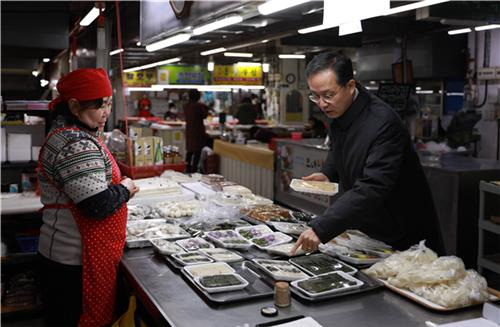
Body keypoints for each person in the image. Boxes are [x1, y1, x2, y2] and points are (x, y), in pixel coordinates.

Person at [291, 53, 444, 255]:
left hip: (402, 234)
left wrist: (322, 228)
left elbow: (372, 186)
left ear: (351, 86)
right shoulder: (339, 110)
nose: (321, 103)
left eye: (328, 95)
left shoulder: (383, 123)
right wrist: (328, 173)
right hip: (368, 226)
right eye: (315, 96)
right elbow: (338, 147)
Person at [38, 68, 140, 327]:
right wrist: (126, 188)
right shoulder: (76, 145)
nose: (107, 112)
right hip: (74, 262)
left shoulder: (70, 135)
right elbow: (97, 205)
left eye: (108, 103)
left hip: (68, 256)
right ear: (74, 106)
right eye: (100, 106)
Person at [184, 89, 208, 173]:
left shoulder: (186, 106)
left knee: (189, 151)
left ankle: (187, 168)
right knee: (197, 152)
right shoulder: (198, 106)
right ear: (198, 97)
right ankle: (194, 170)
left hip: (189, 130)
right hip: (198, 132)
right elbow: (204, 115)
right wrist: (205, 105)